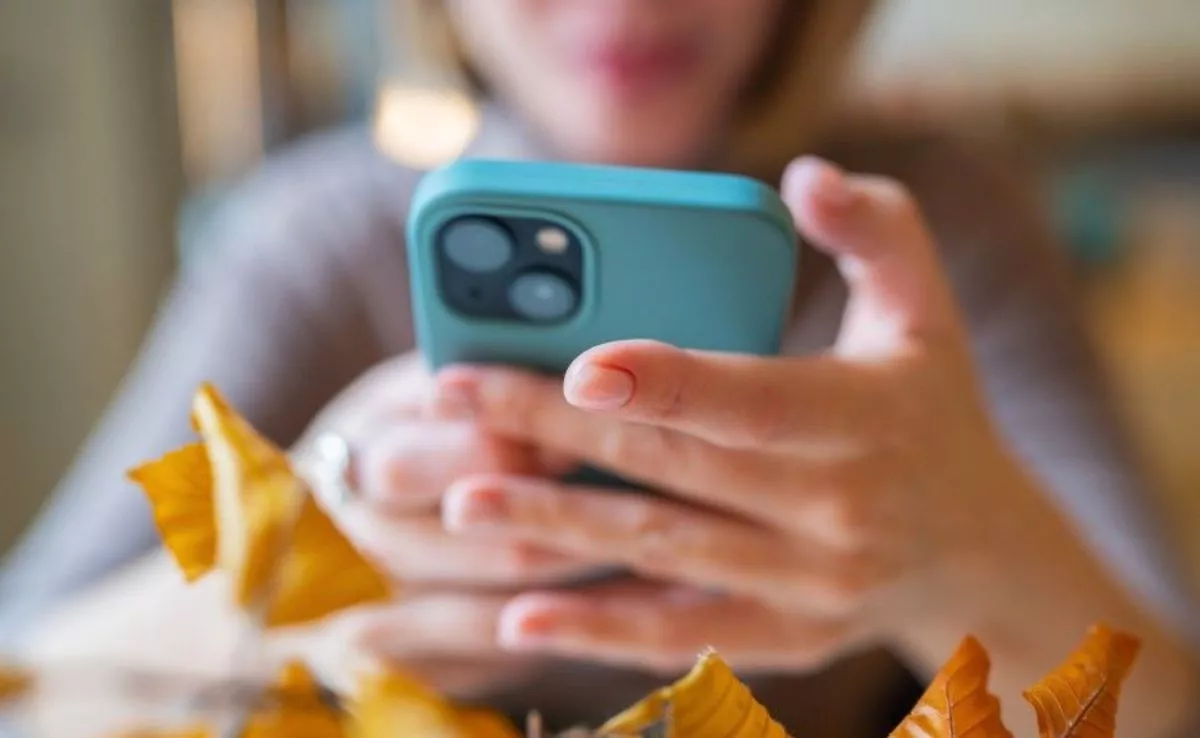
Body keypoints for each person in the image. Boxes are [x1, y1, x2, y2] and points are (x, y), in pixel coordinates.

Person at [1, 1, 1197, 736]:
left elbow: (1161, 705)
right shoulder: (315, 238)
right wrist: (290, 577)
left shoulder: (933, 223)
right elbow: (24, 674)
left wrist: (958, 550)